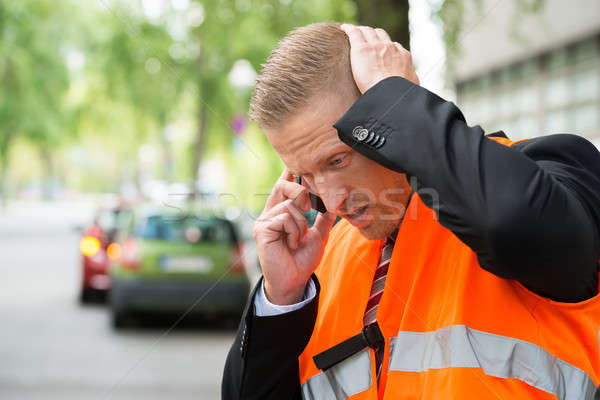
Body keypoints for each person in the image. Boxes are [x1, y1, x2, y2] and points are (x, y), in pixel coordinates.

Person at [222, 22, 600, 399]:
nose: (332, 200)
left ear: (391, 111)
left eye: (337, 160)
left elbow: (511, 223)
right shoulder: (320, 262)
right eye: (306, 174)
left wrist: (398, 98)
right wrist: (282, 298)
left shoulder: (553, 171)